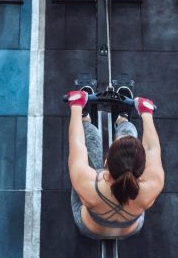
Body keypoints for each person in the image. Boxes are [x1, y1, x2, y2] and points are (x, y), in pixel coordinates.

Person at [66, 86, 164, 239]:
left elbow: (77, 142)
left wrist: (76, 106)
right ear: (142, 168)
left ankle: (85, 118)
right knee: (129, 134)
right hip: (129, 230)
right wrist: (146, 114)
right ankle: (122, 118)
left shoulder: (87, 184)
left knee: (91, 141)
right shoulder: (153, 184)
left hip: (90, 228)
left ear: (107, 161)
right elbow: (152, 149)